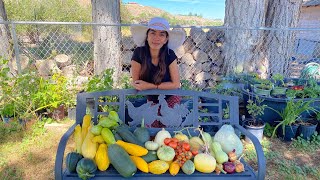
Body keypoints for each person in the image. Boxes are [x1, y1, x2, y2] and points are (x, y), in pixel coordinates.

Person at [130, 17, 186, 127]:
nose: (156, 38)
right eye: (153, 33)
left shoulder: (170, 55)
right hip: (151, 97)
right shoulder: (139, 53)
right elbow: (137, 82)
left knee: (168, 129)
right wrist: (143, 86)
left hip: (171, 96)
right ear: (147, 36)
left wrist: (150, 86)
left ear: (166, 39)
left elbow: (175, 84)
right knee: (151, 130)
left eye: (161, 34)